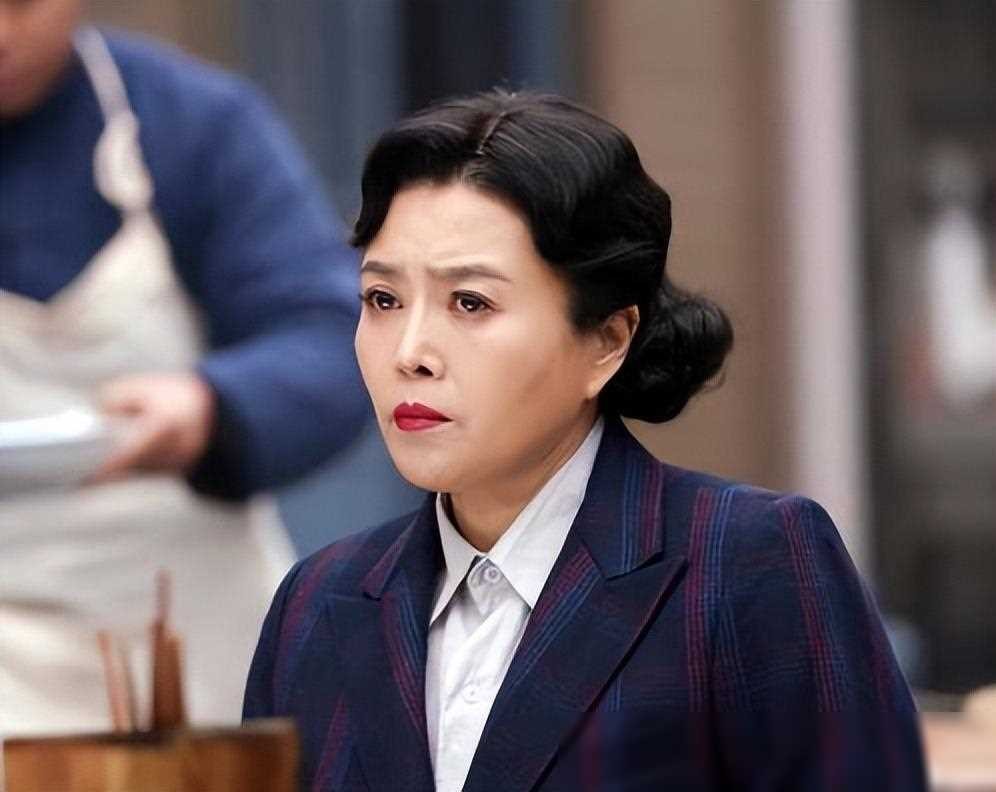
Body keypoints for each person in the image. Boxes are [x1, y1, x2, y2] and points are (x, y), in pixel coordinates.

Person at [243, 90, 927, 791]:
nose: (409, 352)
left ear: (606, 340)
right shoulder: (316, 603)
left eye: (470, 302)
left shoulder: (748, 563)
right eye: (382, 300)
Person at [0, 0, 367, 733]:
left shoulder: (192, 122)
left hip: (188, 636)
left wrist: (211, 407)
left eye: (22, 3)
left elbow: (333, 337)